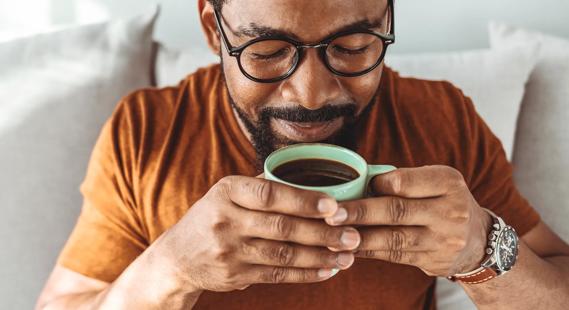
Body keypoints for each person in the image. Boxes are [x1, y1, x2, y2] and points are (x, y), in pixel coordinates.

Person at [37, 0, 569, 309]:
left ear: (386, 21)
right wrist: (172, 267)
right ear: (211, 28)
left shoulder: (443, 119)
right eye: (267, 52)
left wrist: (482, 250)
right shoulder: (149, 132)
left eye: (353, 47)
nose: (311, 95)